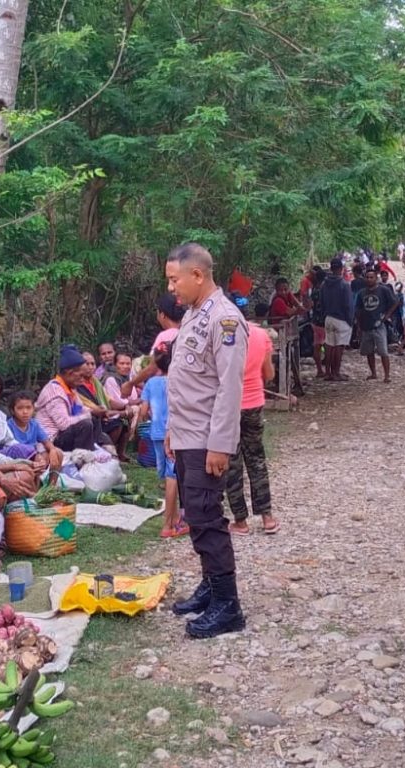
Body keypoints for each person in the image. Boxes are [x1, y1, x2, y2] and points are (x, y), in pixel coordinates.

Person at [163, 242, 248, 638]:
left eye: (174, 279)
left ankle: (228, 605)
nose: (171, 288)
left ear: (197, 275)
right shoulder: (194, 314)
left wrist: (220, 445)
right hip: (186, 435)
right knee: (195, 516)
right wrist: (171, 431)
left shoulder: (225, 320)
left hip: (205, 440)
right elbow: (187, 380)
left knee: (207, 518)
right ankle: (211, 587)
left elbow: (230, 388)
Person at [225, 321, 278, 535]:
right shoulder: (260, 334)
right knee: (256, 460)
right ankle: (267, 518)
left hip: (228, 407)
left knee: (232, 463)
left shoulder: (222, 335)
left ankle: (240, 521)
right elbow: (270, 374)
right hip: (254, 403)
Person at [139, 351, 188, 539]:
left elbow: (143, 411)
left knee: (166, 475)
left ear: (158, 366)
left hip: (156, 433)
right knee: (172, 477)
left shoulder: (151, 383)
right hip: (175, 432)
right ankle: (168, 525)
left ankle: (175, 517)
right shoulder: (179, 382)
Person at [37, 345, 111, 453]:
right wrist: (90, 414)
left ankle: (92, 452)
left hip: (64, 434)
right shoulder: (55, 392)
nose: (82, 381)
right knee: (85, 425)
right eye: (81, 376)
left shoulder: (70, 388)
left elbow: (80, 408)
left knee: (94, 419)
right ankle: (82, 460)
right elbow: (64, 424)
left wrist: (95, 411)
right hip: (51, 441)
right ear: (70, 373)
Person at [355, 267, 399, 382]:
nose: (369, 279)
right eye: (367, 277)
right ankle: (373, 373)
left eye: (371, 277)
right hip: (366, 325)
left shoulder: (384, 290)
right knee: (369, 352)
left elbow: (395, 302)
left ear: (376, 278)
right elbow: (358, 310)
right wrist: (359, 327)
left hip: (379, 325)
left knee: (383, 351)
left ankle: (387, 375)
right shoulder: (361, 293)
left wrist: (387, 316)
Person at [74, 351, 123, 448]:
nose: (90, 367)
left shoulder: (95, 381)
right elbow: (83, 405)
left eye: (92, 364)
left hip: (101, 414)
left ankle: (117, 452)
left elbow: (108, 400)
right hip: (88, 418)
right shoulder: (76, 383)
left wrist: (125, 406)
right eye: (87, 364)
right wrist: (101, 411)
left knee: (121, 423)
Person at [103, 351, 143, 461]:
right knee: (119, 422)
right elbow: (116, 403)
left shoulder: (128, 379)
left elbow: (131, 398)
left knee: (133, 415)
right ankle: (109, 453)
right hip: (109, 413)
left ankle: (122, 453)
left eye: (128, 363)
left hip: (124, 411)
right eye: (122, 363)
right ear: (115, 365)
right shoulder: (111, 379)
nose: (125, 366)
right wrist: (138, 401)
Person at [319, 257, 354, 381]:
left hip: (328, 318)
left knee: (329, 345)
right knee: (339, 346)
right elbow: (348, 304)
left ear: (331, 268)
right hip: (341, 319)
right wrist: (350, 321)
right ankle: (336, 372)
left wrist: (324, 315)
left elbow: (321, 302)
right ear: (341, 269)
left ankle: (328, 372)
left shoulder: (324, 284)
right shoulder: (344, 284)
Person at [7, 391, 63, 469]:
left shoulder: (34, 424)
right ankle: (35, 480)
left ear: (33, 409)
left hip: (35, 457)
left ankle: (51, 481)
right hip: (17, 460)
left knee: (58, 453)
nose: (25, 412)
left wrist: (52, 450)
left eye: (28, 408)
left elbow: (46, 442)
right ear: (12, 410)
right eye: (20, 408)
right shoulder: (8, 426)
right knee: (37, 460)